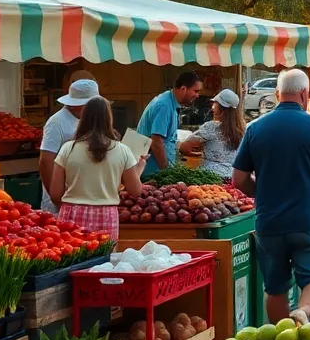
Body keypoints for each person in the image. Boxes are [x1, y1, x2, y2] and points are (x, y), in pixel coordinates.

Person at [232, 69, 310, 325]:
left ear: (277, 94)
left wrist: (261, 195)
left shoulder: (255, 128)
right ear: (305, 94)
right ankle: (303, 311)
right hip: (308, 220)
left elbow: (238, 179)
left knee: (274, 287)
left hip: (269, 222)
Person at [48, 96, 146, 241]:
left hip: (72, 215)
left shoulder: (67, 149)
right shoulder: (123, 150)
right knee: (103, 262)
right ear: (109, 118)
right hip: (106, 216)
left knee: (73, 261)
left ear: (84, 118)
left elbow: (55, 194)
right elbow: (135, 191)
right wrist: (139, 168)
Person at [39, 79, 100, 215]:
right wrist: (56, 199)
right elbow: (46, 161)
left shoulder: (88, 119)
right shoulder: (57, 123)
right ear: (76, 105)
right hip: (62, 197)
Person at [139, 72, 203, 176]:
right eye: (195, 91)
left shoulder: (170, 102)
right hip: (152, 174)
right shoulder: (164, 106)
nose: (197, 95)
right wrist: (167, 173)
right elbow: (156, 142)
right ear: (183, 89)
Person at [179, 89, 245, 180]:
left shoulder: (211, 127)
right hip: (233, 178)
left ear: (221, 108)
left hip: (210, 178)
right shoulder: (244, 130)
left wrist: (197, 154)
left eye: (215, 103)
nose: (212, 107)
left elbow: (184, 147)